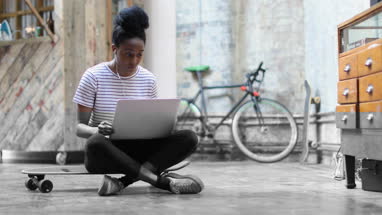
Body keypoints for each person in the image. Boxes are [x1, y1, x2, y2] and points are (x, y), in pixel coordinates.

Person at [73, 6, 204, 196]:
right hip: (107, 152)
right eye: (128, 53)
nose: (134, 61)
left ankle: (121, 183)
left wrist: (164, 126)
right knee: (95, 142)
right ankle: (162, 182)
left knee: (189, 137)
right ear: (114, 49)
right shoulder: (93, 77)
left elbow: (152, 120)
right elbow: (79, 128)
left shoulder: (148, 79)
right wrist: (96, 130)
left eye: (139, 54)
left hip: (140, 151)